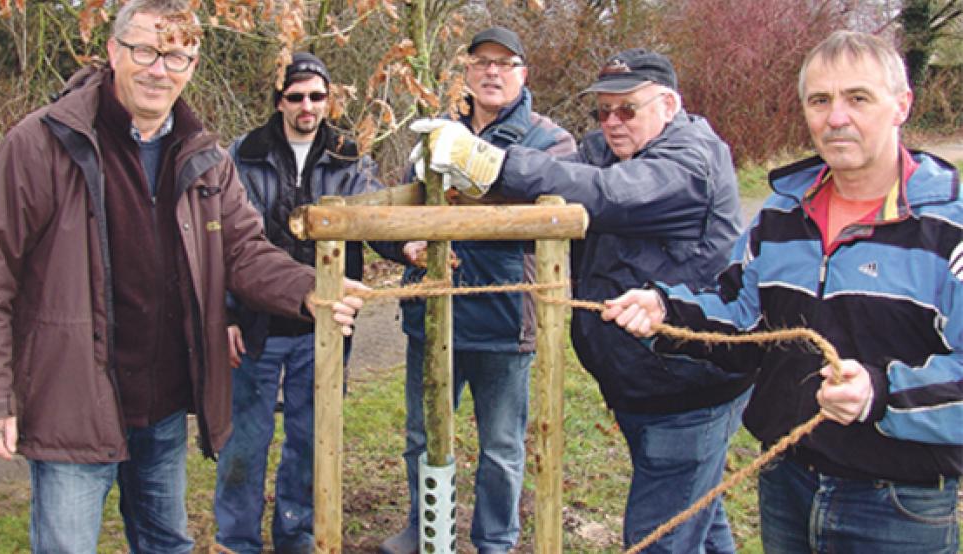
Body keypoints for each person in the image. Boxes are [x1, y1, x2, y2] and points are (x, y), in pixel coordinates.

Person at [0, 1, 363, 552]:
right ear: (113, 51)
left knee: (167, 543)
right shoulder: (41, 144)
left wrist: (310, 289)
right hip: (72, 402)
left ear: (193, 64)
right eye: (146, 51)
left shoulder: (204, 157)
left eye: (178, 55)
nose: (160, 69)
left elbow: (244, 252)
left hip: (162, 405)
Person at [600, 31, 962, 553]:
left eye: (858, 98)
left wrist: (879, 394)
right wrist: (665, 309)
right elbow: (740, 313)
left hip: (898, 504)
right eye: (820, 100)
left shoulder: (948, 228)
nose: (836, 117)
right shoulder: (780, 216)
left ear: (901, 105)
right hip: (787, 479)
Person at [411, 47, 752, 552]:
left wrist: (491, 162)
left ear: (669, 105)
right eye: (603, 111)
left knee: (658, 538)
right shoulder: (609, 149)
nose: (612, 123)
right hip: (647, 382)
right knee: (698, 519)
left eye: (627, 109)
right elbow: (555, 186)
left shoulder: (689, 161)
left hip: (690, 385)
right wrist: (466, 183)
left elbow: (607, 194)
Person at [379, 26, 576, 554]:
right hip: (431, 311)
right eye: (482, 61)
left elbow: (552, 214)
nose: (493, 71)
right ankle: (425, 529)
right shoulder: (433, 134)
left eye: (505, 63)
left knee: (503, 447)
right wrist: (408, 246)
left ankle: (495, 540)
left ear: (523, 75)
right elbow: (394, 216)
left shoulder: (550, 141)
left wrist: (472, 181)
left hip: (504, 318)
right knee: (421, 438)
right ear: (465, 71)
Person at [213, 52, 389, 554]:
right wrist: (224, 314)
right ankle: (236, 541)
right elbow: (225, 244)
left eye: (317, 96)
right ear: (279, 102)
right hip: (255, 324)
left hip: (325, 325)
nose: (307, 105)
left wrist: (411, 246)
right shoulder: (241, 155)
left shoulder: (350, 157)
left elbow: (374, 219)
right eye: (296, 96)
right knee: (244, 442)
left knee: (311, 439)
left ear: (328, 100)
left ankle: (295, 536)